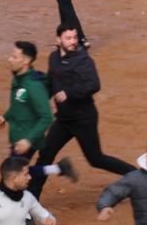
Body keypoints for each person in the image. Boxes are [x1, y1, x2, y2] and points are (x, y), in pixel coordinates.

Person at [27, 26, 132, 199]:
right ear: (58, 40)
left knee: (96, 159)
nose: (73, 41)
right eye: (68, 38)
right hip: (63, 120)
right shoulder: (54, 58)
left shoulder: (83, 60)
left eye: (75, 38)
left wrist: (68, 92)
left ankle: (138, 176)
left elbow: (93, 84)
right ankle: (31, 204)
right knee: (45, 155)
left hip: (83, 119)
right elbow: (52, 83)